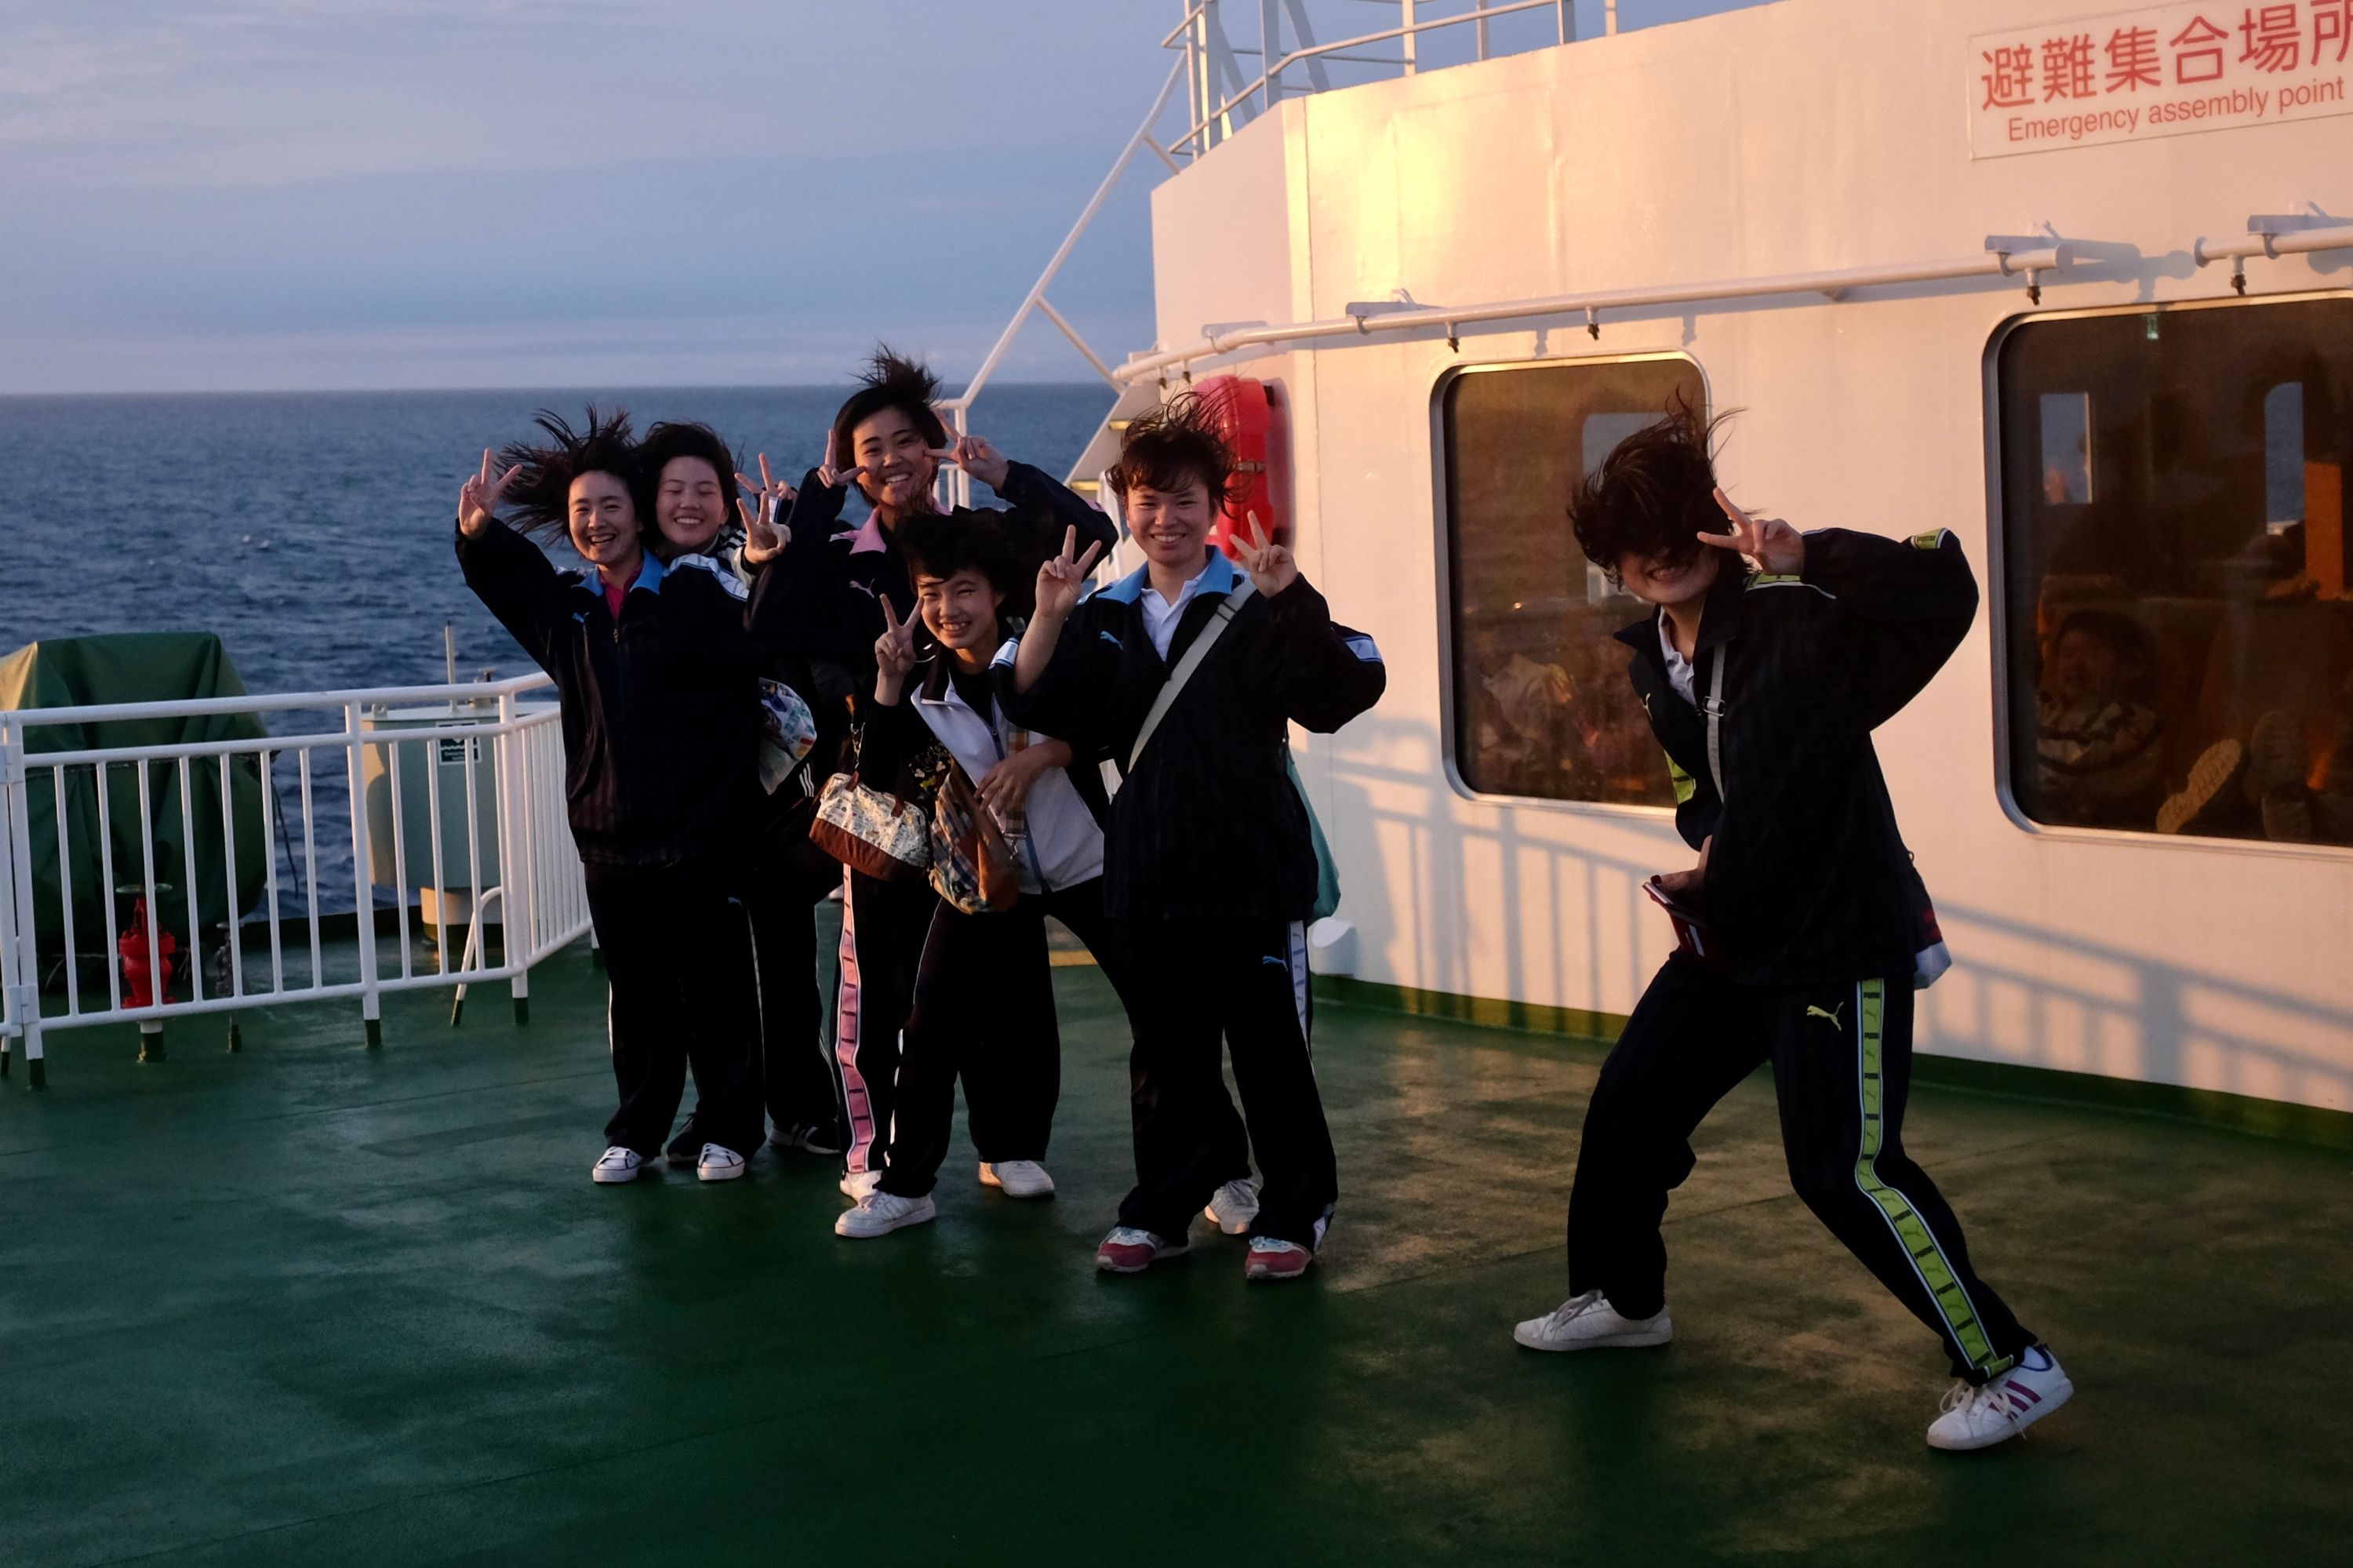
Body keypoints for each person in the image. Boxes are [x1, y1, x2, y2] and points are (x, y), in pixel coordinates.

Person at [1512, 402, 2071, 1453]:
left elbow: (1944, 588)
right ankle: (1628, 1300)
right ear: (1612, 560)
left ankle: (2009, 1362)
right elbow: (1703, 786)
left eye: (1680, 533)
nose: (1663, 559)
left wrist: (1808, 551)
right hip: (1732, 939)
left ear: (1710, 533)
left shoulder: (1797, 620)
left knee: (1844, 1169)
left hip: (1834, 939)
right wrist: (1710, 851)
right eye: (1639, 545)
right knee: (1630, 1105)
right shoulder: (1654, 662)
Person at [1002, 395, 1387, 1282]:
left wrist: (1293, 597)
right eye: (1146, 501)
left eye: (1183, 501)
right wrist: (1051, 613)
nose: (1164, 520)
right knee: (1165, 1058)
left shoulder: (1257, 603)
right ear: (1123, 506)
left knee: (1271, 1055)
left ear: (1217, 506)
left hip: (1251, 874)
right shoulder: (1105, 616)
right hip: (1147, 870)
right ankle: (1163, 1206)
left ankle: (1295, 1210)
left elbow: (1341, 692)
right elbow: (1039, 706)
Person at [774, 349, 1118, 1201]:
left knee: (1011, 975)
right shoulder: (835, 557)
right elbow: (771, 619)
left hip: (996, 794)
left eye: (904, 441)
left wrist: (1008, 476)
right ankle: (878, 1156)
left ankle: (1011, 1140)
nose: (889, 460)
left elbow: (1091, 540)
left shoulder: (983, 539)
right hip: (895, 796)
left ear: (935, 447)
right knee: (887, 987)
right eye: (868, 449)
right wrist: (813, 498)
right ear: (851, 465)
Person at [455, 409, 787, 1187]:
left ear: (638, 512)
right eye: (582, 512)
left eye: (610, 506)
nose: (597, 523)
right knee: (636, 993)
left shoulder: (692, 595)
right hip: (609, 837)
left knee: (714, 987)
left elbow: (760, 639)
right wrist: (477, 531)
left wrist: (769, 561)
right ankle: (636, 1130)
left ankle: (731, 1128)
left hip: (700, 834)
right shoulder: (567, 611)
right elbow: (510, 582)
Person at [832, 515, 1121, 1238]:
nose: (947, 609)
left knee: (1158, 1010)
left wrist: (1043, 754)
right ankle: (907, 1185)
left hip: (1086, 860)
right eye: (932, 593)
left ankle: (1217, 1169)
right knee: (931, 1021)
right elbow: (874, 780)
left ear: (998, 595)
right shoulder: (925, 681)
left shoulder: (1048, 647)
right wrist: (889, 683)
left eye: (964, 591)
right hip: (982, 873)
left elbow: (1110, 722)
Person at [635, 420, 850, 1165]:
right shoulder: (639, 578)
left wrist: (799, 518)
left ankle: (801, 1105)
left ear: (729, 502)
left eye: (707, 490)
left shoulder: (741, 559)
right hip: (684, 811)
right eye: (674, 490)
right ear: (649, 499)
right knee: (701, 980)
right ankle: (723, 1108)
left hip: (766, 805)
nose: (690, 503)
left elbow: (771, 589)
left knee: (782, 963)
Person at [2033, 608, 2165, 828]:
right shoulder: (2048, 708)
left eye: (2092, 654)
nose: (2075, 664)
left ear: (2129, 668)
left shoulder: (2138, 721)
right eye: (2067, 654)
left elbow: (2069, 768)